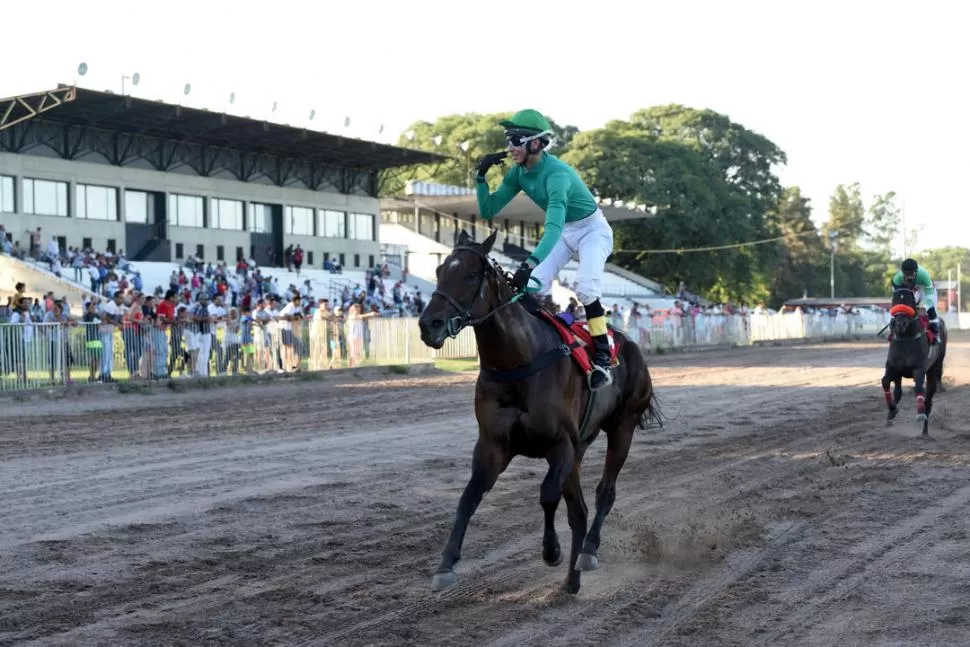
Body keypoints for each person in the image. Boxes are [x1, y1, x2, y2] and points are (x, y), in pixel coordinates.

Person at [475, 109, 615, 389]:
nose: (510, 147)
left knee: (585, 287)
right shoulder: (518, 174)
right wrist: (480, 176)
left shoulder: (558, 176)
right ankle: (545, 345)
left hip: (592, 230)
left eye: (516, 139)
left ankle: (603, 358)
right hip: (564, 232)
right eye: (508, 140)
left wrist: (528, 264)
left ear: (536, 143)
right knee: (532, 288)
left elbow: (551, 229)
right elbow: (488, 208)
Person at [891, 258, 940, 343]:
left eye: (911, 274)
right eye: (907, 274)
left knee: (930, 307)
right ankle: (892, 328)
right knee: (900, 306)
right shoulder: (897, 279)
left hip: (923, 287)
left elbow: (929, 297)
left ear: (916, 271)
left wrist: (924, 308)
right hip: (907, 288)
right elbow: (896, 300)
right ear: (902, 273)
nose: (909, 277)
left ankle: (935, 331)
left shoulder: (924, 276)